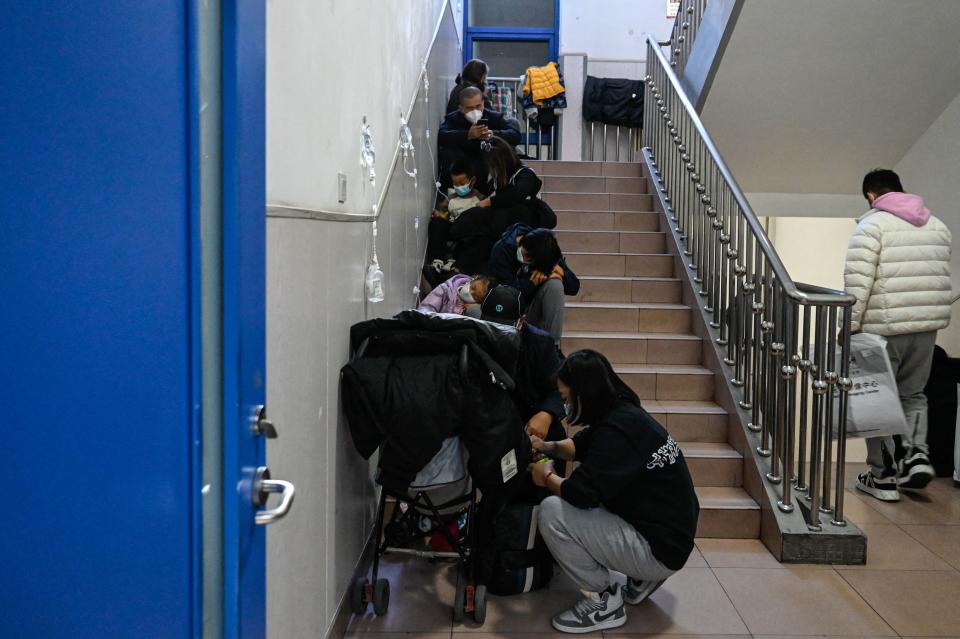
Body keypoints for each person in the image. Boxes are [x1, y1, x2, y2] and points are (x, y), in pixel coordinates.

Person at [527, 350, 699, 634]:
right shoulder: (623, 413)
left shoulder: (616, 434)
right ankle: (643, 577)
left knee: (552, 512)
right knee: (600, 498)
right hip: (672, 536)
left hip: (659, 548)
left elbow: (579, 493)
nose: (565, 405)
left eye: (567, 398)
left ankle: (604, 601)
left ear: (584, 392)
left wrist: (546, 477)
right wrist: (547, 447)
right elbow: (579, 445)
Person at [846, 169, 952, 502]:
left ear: (871, 196)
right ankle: (916, 455)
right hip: (925, 328)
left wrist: (847, 326)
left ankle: (883, 476)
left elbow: (858, 283)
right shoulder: (936, 226)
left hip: (882, 328)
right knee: (913, 394)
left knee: (875, 400)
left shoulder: (871, 226)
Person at [478, 285, 566, 443]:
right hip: (492, 422)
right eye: (491, 326)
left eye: (504, 328)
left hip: (531, 419)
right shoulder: (474, 337)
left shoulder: (540, 343)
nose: (497, 333)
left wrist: (546, 414)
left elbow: (558, 389)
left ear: (521, 322)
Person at [486, 224, 579, 342]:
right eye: (526, 256)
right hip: (507, 312)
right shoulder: (501, 250)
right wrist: (531, 283)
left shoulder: (545, 249)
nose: (526, 261)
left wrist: (563, 273)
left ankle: (551, 346)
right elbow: (505, 296)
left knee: (555, 284)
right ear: (522, 243)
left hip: (533, 310)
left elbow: (574, 288)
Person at [438, 87, 520, 192]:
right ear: (461, 108)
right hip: (465, 166)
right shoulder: (453, 119)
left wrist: (492, 134)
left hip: (488, 166)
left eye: (478, 106)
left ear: (483, 103)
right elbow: (442, 136)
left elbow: (515, 135)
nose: (475, 111)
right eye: (469, 108)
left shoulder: (494, 117)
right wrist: (468, 135)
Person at [427, 158, 482, 262]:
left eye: (462, 184)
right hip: (453, 228)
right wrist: (440, 215)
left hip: (468, 233)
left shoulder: (480, 198)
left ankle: (456, 263)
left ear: (472, 181)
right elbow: (444, 214)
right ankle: (438, 260)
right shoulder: (451, 198)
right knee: (436, 223)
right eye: (455, 184)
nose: (458, 187)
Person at [417, 273, 494, 316]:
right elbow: (428, 306)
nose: (470, 292)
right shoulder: (446, 290)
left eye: (475, 296)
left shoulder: (469, 310)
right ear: (470, 281)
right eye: (473, 288)